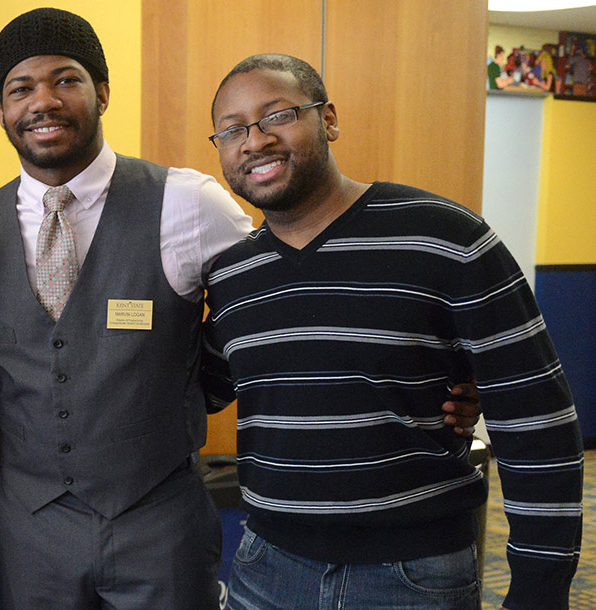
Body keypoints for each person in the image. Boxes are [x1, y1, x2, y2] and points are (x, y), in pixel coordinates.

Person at [0, 9, 483, 609]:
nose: (43, 101)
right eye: (20, 88)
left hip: (158, 521)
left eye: (66, 80)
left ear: (102, 92)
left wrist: (447, 373)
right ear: (0, 111)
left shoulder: (188, 203)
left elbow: (285, 294)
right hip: (28, 532)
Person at [202, 53, 582, 610]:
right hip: (267, 569)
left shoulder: (446, 238)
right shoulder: (233, 275)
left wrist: (540, 588)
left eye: (277, 116)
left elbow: (536, 419)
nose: (253, 141)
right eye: (232, 129)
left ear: (328, 120)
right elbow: (197, 388)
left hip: (414, 575)